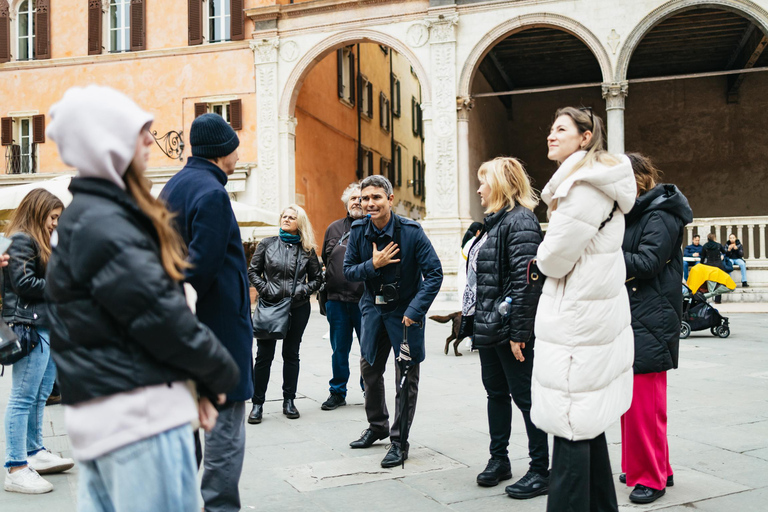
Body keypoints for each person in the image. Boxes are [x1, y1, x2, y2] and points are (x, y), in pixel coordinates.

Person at [45, 85, 239, 511]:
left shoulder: (93, 216)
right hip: (139, 422)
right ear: (110, 144)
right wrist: (220, 376)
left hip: (111, 417)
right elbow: (163, 318)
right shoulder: (106, 224)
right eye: (141, 132)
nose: (152, 141)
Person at [531, 106, 636, 512]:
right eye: (550, 129)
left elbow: (554, 258)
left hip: (577, 318)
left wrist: (540, 256)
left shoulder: (582, 186)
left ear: (586, 137)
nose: (551, 136)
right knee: (585, 423)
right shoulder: (594, 183)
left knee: (572, 425)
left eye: (561, 129)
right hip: (590, 314)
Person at [161, 113, 254, 512]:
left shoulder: (172, 187)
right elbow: (200, 267)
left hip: (179, 328)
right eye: (235, 146)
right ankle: (219, 506)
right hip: (217, 328)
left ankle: (182, 502)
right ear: (223, 151)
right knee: (226, 424)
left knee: (184, 423)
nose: (238, 153)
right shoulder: (212, 194)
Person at [463, 158, 550, 499]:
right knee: (496, 394)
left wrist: (519, 333)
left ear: (500, 184)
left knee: (526, 399)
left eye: (484, 182)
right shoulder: (492, 224)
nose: (479, 189)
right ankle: (499, 460)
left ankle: (541, 469)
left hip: (508, 329)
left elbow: (526, 282)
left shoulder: (521, 221)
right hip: (488, 326)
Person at [344, 175, 443, 468]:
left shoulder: (411, 232)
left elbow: (434, 274)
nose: (370, 203)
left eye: (376, 197)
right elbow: (348, 271)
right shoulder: (359, 230)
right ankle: (378, 427)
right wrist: (372, 265)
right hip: (373, 313)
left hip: (405, 316)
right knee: (369, 371)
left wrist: (415, 311)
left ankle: (399, 442)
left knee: (405, 377)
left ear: (390, 199)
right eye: (365, 198)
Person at [620, 153, 692, 504]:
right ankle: (653, 466)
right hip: (635, 316)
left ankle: (652, 477)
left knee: (646, 404)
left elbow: (647, 263)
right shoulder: (635, 214)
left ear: (637, 179)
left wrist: (602, 256)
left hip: (651, 317)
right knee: (632, 401)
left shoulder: (661, 214)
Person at [3, 189, 72, 494]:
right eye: (53, 217)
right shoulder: (22, 238)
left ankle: (33, 451)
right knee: (23, 397)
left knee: (40, 393)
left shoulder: (37, 240)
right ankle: (16, 466)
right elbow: (23, 283)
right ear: (38, 211)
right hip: (28, 327)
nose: (56, 223)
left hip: (42, 325)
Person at [248, 205, 323, 422]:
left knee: (291, 354)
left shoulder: (307, 249)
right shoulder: (267, 244)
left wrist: (301, 290)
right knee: (264, 356)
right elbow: (253, 271)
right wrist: (265, 289)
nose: (287, 219)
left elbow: (317, 279)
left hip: (297, 308)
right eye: (284, 216)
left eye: (292, 217)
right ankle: (257, 404)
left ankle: (289, 401)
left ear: (300, 223)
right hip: (270, 307)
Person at [321, 183, 366, 411]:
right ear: (347, 203)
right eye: (353, 199)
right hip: (336, 301)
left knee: (368, 349)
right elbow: (324, 259)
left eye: (361, 198)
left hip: (365, 302)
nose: (357, 202)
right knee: (339, 349)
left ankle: (370, 389)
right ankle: (337, 392)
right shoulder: (333, 228)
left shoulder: (373, 227)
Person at [699, 233, 726, 303]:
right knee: (718, 283)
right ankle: (718, 300)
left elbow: (702, 257)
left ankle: (705, 298)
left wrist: (701, 264)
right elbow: (725, 252)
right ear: (714, 238)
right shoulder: (718, 245)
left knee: (707, 283)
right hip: (718, 265)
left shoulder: (705, 246)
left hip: (709, 265)